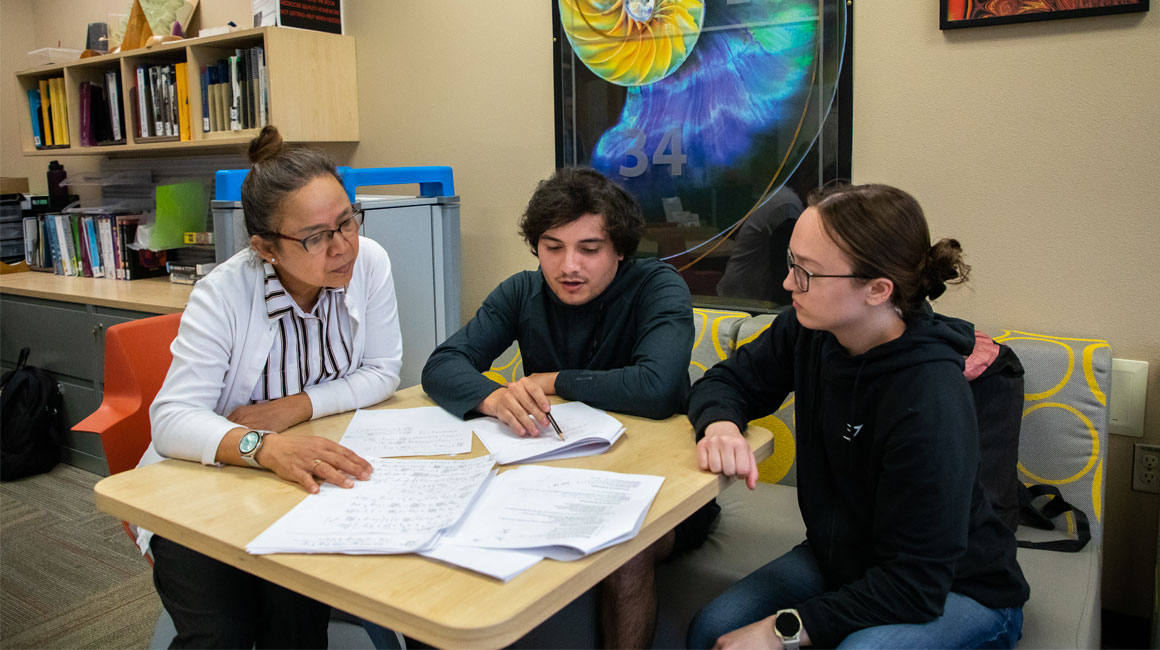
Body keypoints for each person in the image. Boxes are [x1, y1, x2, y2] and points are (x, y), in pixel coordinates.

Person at [686, 183, 1029, 649]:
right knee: (713, 630)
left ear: (877, 289)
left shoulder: (930, 396)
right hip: (846, 561)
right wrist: (721, 424)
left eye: (806, 273)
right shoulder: (810, 330)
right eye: (791, 264)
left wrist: (781, 630)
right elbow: (725, 381)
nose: (788, 284)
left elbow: (916, 585)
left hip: (956, 589)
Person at [140, 125, 403, 649]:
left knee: (297, 622)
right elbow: (170, 420)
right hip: (203, 484)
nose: (342, 246)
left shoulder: (368, 261)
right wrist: (265, 447)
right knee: (223, 634)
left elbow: (383, 370)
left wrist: (296, 407)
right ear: (266, 247)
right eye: (315, 236)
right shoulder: (222, 293)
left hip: (302, 482)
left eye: (346, 221)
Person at [420, 167, 702, 648]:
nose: (569, 266)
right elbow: (442, 364)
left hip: (663, 484)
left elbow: (656, 386)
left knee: (624, 549)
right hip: (551, 476)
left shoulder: (658, 286)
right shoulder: (522, 291)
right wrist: (493, 396)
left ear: (619, 249)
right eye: (553, 247)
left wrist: (551, 380)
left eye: (589, 249)